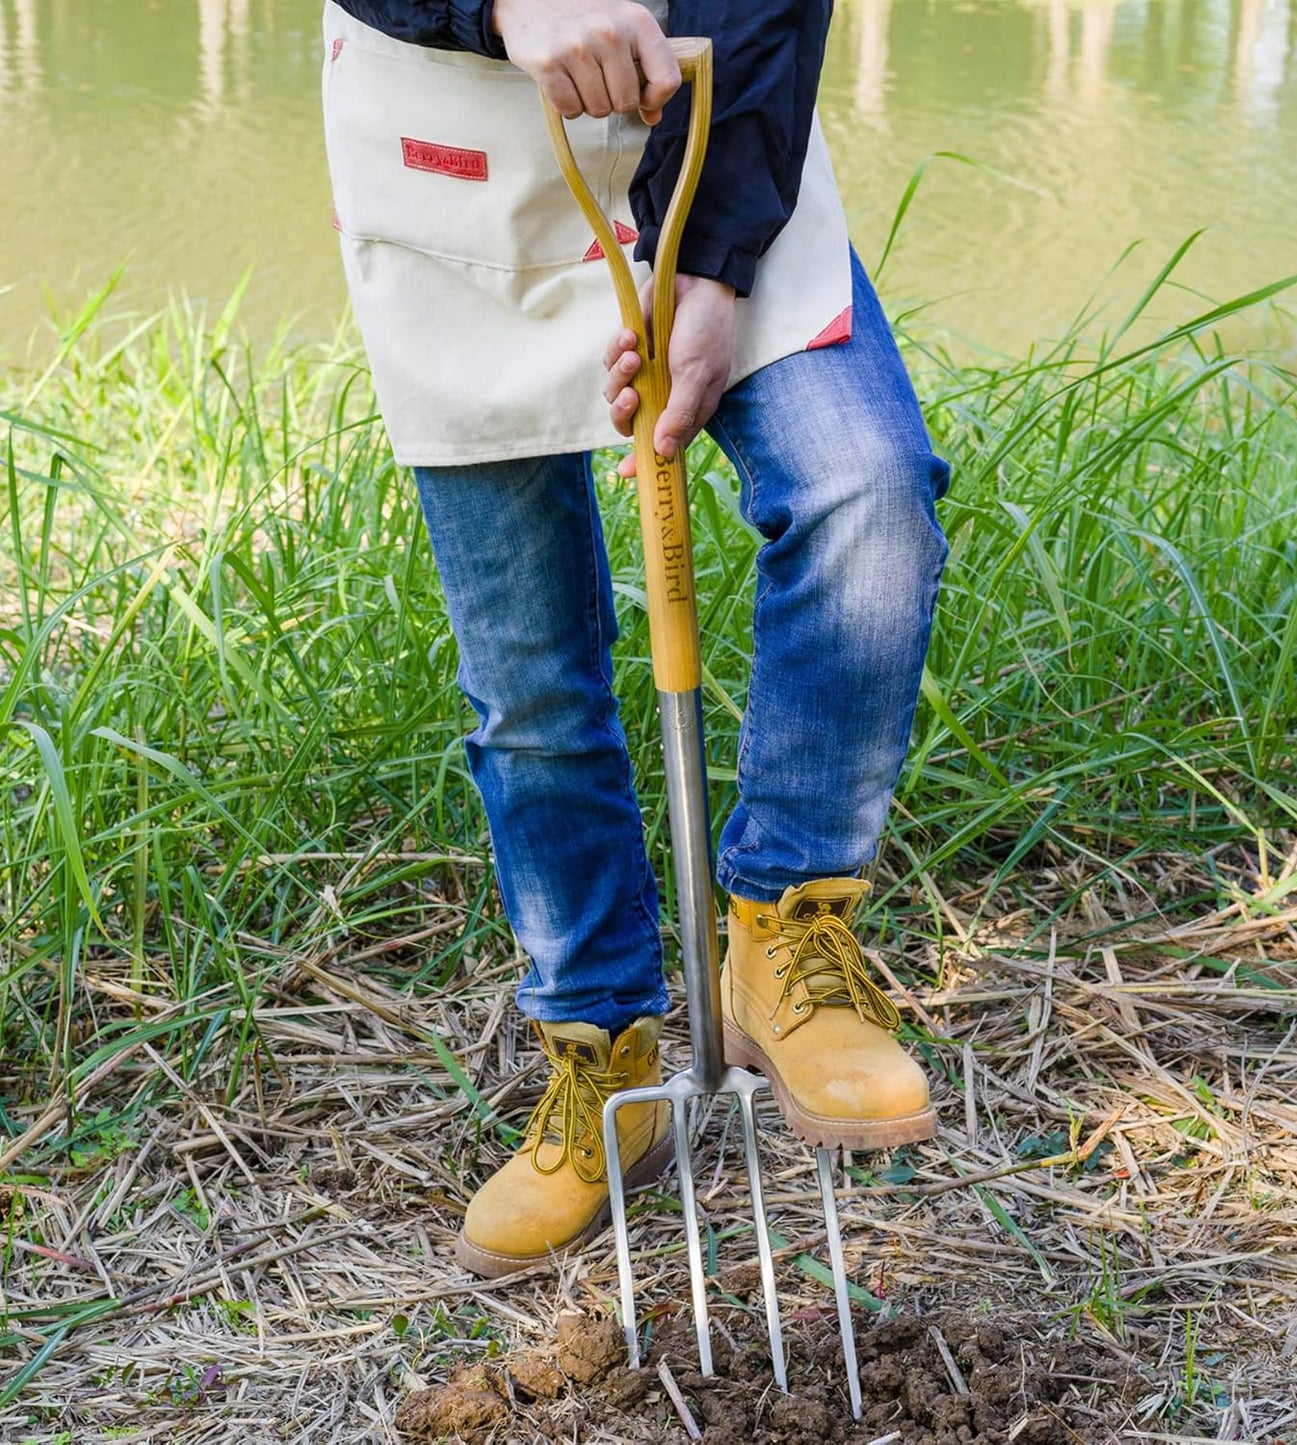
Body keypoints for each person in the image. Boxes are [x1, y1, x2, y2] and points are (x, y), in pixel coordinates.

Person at [320, 0, 950, 1278]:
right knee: (531, 680)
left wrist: (711, 260)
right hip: (447, 167)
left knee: (865, 490)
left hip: (714, 118)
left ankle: (783, 931)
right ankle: (601, 1063)